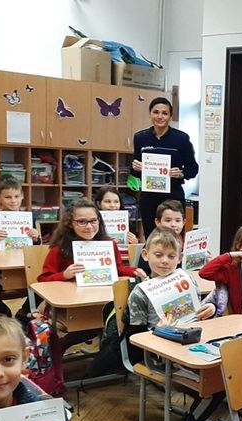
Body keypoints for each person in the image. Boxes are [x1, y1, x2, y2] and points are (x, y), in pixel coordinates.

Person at [127, 228, 218, 421]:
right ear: (146, 254)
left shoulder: (187, 280)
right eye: (158, 255)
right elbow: (134, 339)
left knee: (230, 369)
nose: (165, 261)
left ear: (180, 258)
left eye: (171, 256)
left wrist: (209, 309)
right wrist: (157, 331)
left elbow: (197, 314)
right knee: (218, 381)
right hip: (161, 354)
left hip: (193, 341)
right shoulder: (139, 293)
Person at [131, 97, 198, 236]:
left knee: (174, 236)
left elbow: (193, 168)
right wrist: (136, 168)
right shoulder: (140, 138)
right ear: (150, 114)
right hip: (149, 196)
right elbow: (135, 172)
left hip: (173, 195)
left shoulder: (182, 138)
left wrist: (181, 173)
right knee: (152, 236)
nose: (160, 116)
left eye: (165, 113)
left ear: (170, 116)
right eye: (156, 112)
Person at [38, 199, 145, 283]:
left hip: (100, 294)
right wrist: (64, 275)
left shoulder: (108, 243)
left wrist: (134, 271)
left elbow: (116, 270)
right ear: (70, 223)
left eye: (93, 221)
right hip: (70, 297)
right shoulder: (59, 248)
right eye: (82, 222)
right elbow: (43, 279)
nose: (89, 226)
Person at [0, 175, 40, 319]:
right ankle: (1, 311)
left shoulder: (29, 219)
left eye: (17, 196)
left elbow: (37, 248)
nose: (13, 201)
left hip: (24, 266)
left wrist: (36, 238)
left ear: (22, 196)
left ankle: (25, 311)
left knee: (44, 278)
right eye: (8, 197)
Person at [137, 199, 186, 277]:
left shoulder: (186, 243)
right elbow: (144, 272)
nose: (173, 224)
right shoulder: (153, 243)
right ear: (158, 222)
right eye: (168, 220)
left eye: (177, 221)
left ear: (183, 222)